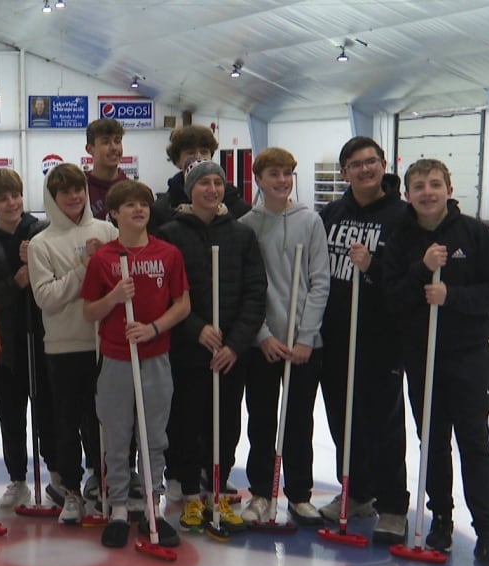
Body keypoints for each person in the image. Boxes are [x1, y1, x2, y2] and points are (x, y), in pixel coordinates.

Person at [383, 159, 489, 566]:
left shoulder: (474, 233)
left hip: (469, 356)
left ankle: (488, 534)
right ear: (407, 193)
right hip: (422, 357)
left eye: (435, 184)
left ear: (449, 188)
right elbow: (391, 298)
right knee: (433, 443)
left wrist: (451, 295)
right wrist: (422, 268)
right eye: (418, 186)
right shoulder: (399, 236)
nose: (427, 192)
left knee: (474, 443)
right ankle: (440, 518)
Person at [158, 159, 265, 535]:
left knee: (226, 423)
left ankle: (218, 491)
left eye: (218, 183)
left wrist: (235, 344)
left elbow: (255, 293)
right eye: (204, 183)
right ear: (191, 191)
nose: (212, 189)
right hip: (188, 352)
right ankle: (189, 494)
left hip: (230, 353)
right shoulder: (171, 234)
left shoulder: (241, 234)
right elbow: (165, 296)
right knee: (186, 423)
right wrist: (195, 329)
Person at [81, 180, 190, 549]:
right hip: (115, 359)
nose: (138, 210)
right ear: (113, 213)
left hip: (155, 357)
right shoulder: (103, 259)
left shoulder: (169, 254)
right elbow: (89, 311)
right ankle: (117, 510)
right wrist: (113, 297)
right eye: (128, 205)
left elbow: (183, 304)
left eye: (142, 204)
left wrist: (153, 328)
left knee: (154, 436)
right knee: (117, 435)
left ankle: (151, 507)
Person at [317, 136, 411, 544]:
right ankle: (356, 492)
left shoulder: (403, 217)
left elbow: (408, 278)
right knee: (343, 418)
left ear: (384, 164)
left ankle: (392, 505)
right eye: (355, 164)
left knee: (384, 422)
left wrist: (373, 266)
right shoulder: (331, 214)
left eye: (371, 162)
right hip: (336, 333)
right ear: (344, 172)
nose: (365, 169)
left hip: (381, 337)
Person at [238, 147, 329, 526]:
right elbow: (245, 288)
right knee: (261, 420)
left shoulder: (310, 221)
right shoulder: (246, 225)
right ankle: (261, 492)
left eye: (287, 173)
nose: (281, 180)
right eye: (273, 174)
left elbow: (320, 281)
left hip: (303, 345)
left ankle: (299, 494)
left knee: (299, 421)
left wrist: (306, 336)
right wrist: (261, 336)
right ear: (258, 180)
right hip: (263, 344)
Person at [28, 163, 118, 524]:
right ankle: (70, 490)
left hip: (105, 344)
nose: (74, 196)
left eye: (79, 189)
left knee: (103, 420)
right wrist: (84, 269)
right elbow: (46, 298)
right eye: (65, 191)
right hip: (64, 346)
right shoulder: (41, 243)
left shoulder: (108, 231)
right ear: (53, 197)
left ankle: (104, 482)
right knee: (65, 421)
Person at [0, 168, 53, 509]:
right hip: (6, 346)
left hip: (46, 340)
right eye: (2, 198)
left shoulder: (43, 233)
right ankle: (18, 479)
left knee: (50, 412)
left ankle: (61, 475)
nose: (11, 203)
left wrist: (38, 263)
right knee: (11, 415)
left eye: (15, 195)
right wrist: (16, 282)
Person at [151, 125, 251, 234]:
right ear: (177, 161)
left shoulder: (238, 207)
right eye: (190, 152)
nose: (198, 157)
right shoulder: (162, 211)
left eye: (204, 152)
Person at [84, 118, 128, 221]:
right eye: (106, 142)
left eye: (117, 141)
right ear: (90, 149)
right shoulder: (80, 188)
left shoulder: (131, 190)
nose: (114, 148)